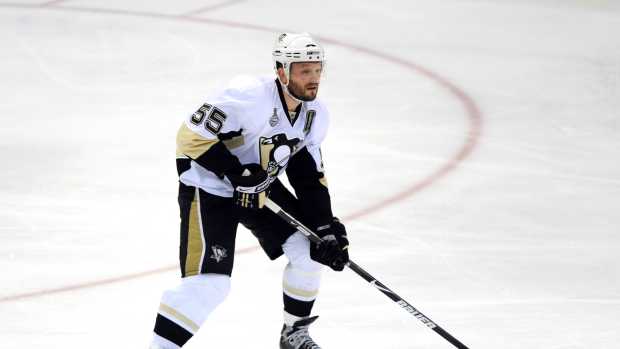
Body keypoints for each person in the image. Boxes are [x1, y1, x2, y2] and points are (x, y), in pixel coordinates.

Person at [149, 32, 349, 349]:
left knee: (310, 253)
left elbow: (307, 176)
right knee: (210, 285)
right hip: (209, 186)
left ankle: (293, 334)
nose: (312, 79)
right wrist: (235, 172)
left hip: (259, 190)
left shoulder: (315, 116)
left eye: (316, 70)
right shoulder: (248, 96)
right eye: (303, 70)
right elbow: (188, 138)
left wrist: (325, 228)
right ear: (282, 71)